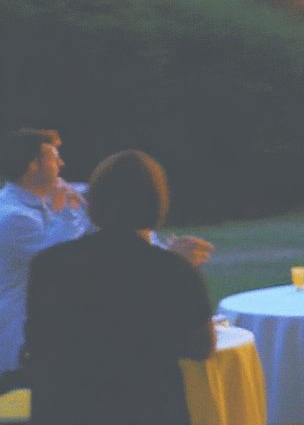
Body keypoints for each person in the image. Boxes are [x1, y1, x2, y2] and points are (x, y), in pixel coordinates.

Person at [25, 150, 215, 425]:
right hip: (147, 410)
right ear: (157, 201)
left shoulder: (48, 263)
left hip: (64, 410)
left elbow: (36, 340)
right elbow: (201, 347)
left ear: (95, 201)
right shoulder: (172, 268)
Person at [0, 129, 89, 375]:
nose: (62, 163)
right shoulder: (12, 216)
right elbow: (60, 255)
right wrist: (69, 208)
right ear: (32, 165)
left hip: (44, 321)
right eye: (54, 158)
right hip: (19, 331)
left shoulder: (44, 198)